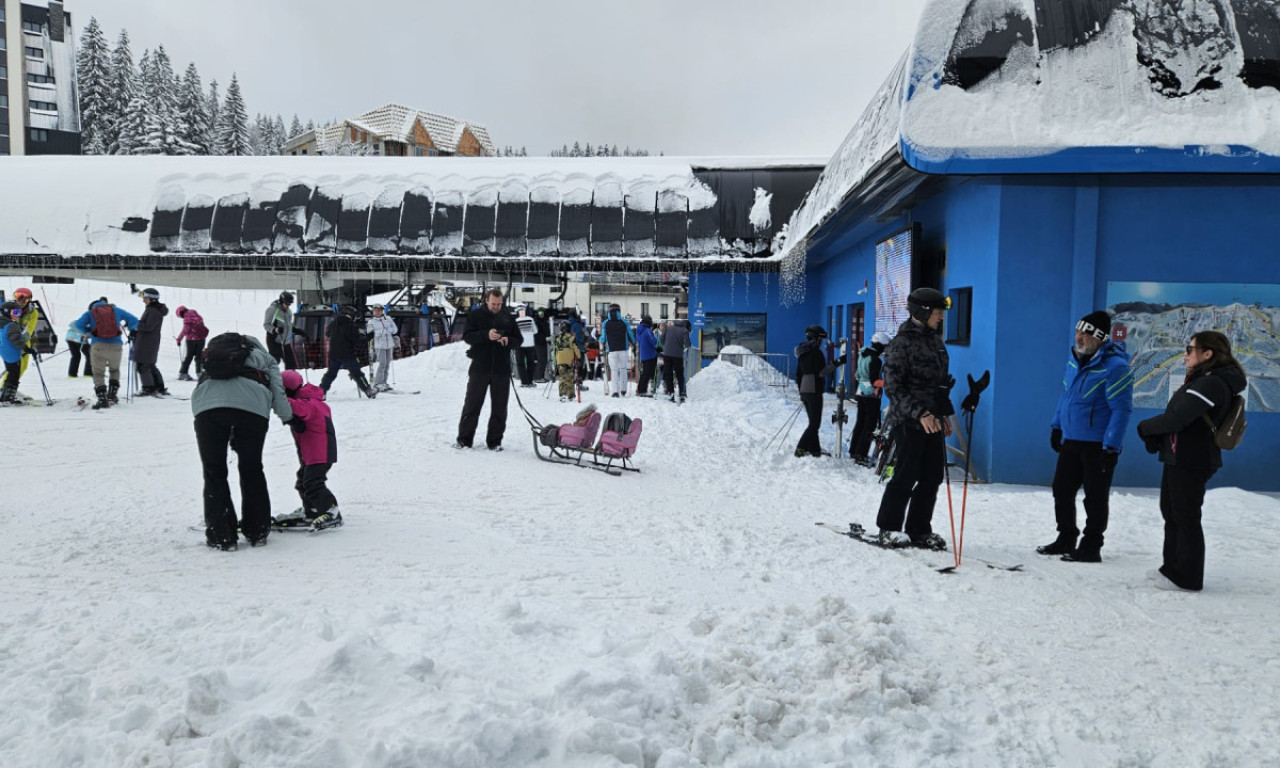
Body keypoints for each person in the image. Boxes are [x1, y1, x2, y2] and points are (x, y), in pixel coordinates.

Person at [1136, 331, 1247, 591]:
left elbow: (1179, 418)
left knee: (1185, 516)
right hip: (1180, 455)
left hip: (1192, 459)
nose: (1185, 354)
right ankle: (1171, 568)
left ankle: (1188, 577)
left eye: (1190, 349)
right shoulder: (1203, 379)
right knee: (1172, 512)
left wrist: (1145, 428)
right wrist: (1159, 437)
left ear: (1207, 354)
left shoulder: (1212, 383)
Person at [1039, 311, 1133, 562]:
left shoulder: (1116, 368)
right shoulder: (1074, 360)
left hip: (1098, 444)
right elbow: (1066, 395)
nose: (1078, 337)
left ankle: (1091, 546)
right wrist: (1057, 425)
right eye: (1078, 332)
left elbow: (1121, 410)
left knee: (1095, 497)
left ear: (1100, 338)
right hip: (1072, 439)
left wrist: (1111, 447)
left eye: (1085, 333)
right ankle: (1066, 537)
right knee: (1062, 489)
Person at [191, 334, 295, 550]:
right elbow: (277, 388)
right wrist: (288, 417)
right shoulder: (264, 357)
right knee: (251, 468)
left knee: (214, 472)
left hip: (207, 410)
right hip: (252, 411)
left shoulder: (212, 356)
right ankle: (257, 531)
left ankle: (222, 536)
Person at [874, 287, 955, 550]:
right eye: (937, 312)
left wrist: (944, 414)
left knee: (932, 476)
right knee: (905, 475)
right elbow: (894, 388)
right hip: (909, 420)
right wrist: (921, 413)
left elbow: (940, 383)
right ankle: (888, 528)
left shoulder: (935, 341)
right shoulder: (902, 343)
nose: (941, 317)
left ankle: (919, 529)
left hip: (933, 420)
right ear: (923, 311)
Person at [273, 370, 343, 530]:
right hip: (315, 452)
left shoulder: (309, 403)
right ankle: (312, 510)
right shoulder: (314, 400)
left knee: (313, 483)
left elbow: (296, 407)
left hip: (320, 453)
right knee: (303, 481)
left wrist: (275, 397)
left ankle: (331, 511)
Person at [455, 288, 522, 450]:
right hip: (480, 367)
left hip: (502, 368)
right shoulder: (476, 316)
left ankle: (495, 441)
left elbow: (518, 340)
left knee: (500, 407)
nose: (496, 307)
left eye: (499, 304)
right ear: (487, 301)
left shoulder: (508, 317)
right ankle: (464, 440)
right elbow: (467, 336)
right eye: (493, 304)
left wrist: (508, 340)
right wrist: (486, 335)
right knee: (472, 405)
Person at [72, 297, 140, 410]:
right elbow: (134, 319)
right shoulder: (116, 310)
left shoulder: (90, 312)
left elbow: (78, 325)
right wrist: (132, 329)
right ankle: (112, 396)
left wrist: (89, 332)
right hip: (116, 346)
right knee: (114, 370)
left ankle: (102, 399)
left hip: (98, 346)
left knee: (98, 373)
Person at [849, 332, 891, 465]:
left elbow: (857, 375)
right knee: (869, 425)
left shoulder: (863, 355)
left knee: (860, 422)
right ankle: (861, 454)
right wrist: (889, 383)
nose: (884, 350)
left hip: (860, 392)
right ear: (880, 346)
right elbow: (874, 380)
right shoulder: (876, 360)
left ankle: (854, 450)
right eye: (884, 347)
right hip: (871, 395)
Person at [320, 305, 377, 398]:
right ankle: (368, 390)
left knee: (330, 373)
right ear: (351, 315)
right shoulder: (352, 326)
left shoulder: (333, 323)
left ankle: (321, 392)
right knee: (356, 373)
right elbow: (358, 341)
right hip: (347, 353)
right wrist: (369, 337)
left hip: (333, 353)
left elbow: (327, 334)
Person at [794, 325, 832, 458]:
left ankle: (814, 449)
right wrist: (837, 363)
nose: (821, 342)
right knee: (815, 423)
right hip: (814, 390)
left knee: (812, 421)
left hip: (805, 389)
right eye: (821, 339)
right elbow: (821, 372)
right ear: (816, 339)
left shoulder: (802, 353)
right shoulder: (816, 353)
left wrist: (801, 392)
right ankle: (801, 448)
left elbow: (798, 374)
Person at [0, 287, 39, 392]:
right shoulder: (9, 308)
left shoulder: (32, 312)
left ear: (29, 300)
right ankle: (5, 387)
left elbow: (29, 329)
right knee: (13, 366)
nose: (21, 300)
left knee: (23, 366)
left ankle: (9, 387)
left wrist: (22, 344)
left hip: (23, 341)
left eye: (25, 298)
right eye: (18, 296)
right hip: (8, 339)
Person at [133, 288, 170, 396]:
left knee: (144, 365)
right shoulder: (152, 309)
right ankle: (158, 387)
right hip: (147, 341)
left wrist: (136, 324)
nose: (143, 300)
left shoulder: (153, 311)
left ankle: (148, 388)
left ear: (151, 299)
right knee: (149, 365)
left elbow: (148, 327)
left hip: (147, 342)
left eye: (145, 298)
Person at [602, 304, 636, 397]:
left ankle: (615, 391)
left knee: (614, 370)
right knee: (623, 369)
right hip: (623, 350)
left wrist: (601, 342)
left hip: (612, 350)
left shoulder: (605, 323)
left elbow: (603, 338)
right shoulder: (624, 322)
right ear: (619, 311)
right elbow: (630, 334)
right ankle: (623, 390)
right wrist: (633, 342)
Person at [0, 302, 30, 404]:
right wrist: (26, 348)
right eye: (15, 312)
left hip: (4, 352)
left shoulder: (2, 323)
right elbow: (16, 340)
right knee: (14, 375)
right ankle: (8, 397)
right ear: (7, 312)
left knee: (11, 373)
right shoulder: (11, 325)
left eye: (19, 312)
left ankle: (4, 395)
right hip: (12, 353)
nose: (18, 315)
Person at [365, 304, 398, 392]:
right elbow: (369, 333)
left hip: (389, 344)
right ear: (373, 311)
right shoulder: (371, 322)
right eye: (375, 310)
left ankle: (384, 382)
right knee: (382, 363)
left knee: (387, 364)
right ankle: (378, 383)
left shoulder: (388, 319)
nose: (377, 312)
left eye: (379, 310)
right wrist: (380, 332)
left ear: (382, 311)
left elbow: (395, 329)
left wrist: (388, 331)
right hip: (380, 345)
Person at [263, 291, 299, 369]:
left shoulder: (288, 312)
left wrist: (297, 331)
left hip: (285, 341)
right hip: (274, 340)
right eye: (287, 304)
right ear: (282, 301)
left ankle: (290, 379)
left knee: (291, 363)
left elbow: (288, 325)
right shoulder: (272, 310)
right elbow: (266, 324)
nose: (288, 306)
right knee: (275, 361)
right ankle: (268, 377)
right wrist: (275, 330)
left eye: (290, 304)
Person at [660, 317, 691, 402]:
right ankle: (682, 394)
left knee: (668, 374)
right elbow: (687, 344)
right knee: (679, 375)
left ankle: (671, 393)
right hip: (678, 355)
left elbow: (661, 339)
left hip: (667, 355)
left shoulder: (668, 328)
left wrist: (667, 345)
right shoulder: (684, 330)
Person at [175, 305, 210, 381]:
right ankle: (199, 373)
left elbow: (185, 330)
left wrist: (179, 339)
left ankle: (183, 373)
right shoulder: (197, 315)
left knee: (189, 356)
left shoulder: (187, 317)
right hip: (201, 339)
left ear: (181, 312)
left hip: (191, 340)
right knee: (199, 356)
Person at [553, 320, 581, 402]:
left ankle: (562, 394)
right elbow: (575, 348)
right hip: (569, 359)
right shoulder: (571, 337)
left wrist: (556, 360)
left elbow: (556, 349)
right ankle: (570, 394)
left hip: (560, 359)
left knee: (562, 377)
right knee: (569, 377)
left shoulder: (558, 338)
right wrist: (579, 357)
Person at [635, 315, 661, 397]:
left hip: (644, 354)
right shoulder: (647, 331)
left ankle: (640, 389)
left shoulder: (640, 330)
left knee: (645, 373)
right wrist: (657, 343)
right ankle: (641, 390)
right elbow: (653, 342)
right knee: (647, 373)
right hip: (649, 354)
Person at [514, 305, 538, 387]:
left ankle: (524, 382)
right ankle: (530, 381)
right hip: (530, 344)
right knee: (531, 363)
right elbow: (535, 331)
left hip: (520, 345)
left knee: (520, 364)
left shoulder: (516, 321)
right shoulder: (530, 319)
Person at [533, 307, 551, 383]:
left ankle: (541, 376)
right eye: (540, 313)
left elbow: (547, 331)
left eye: (542, 313)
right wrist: (545, 338)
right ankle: (537, 377)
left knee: (544, 360)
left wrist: (549, 339)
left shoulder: (545, 322)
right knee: (541, 360)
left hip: (543, 343)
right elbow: (536, 334)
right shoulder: (536, 322)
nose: (541, 315)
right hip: (538, 343)